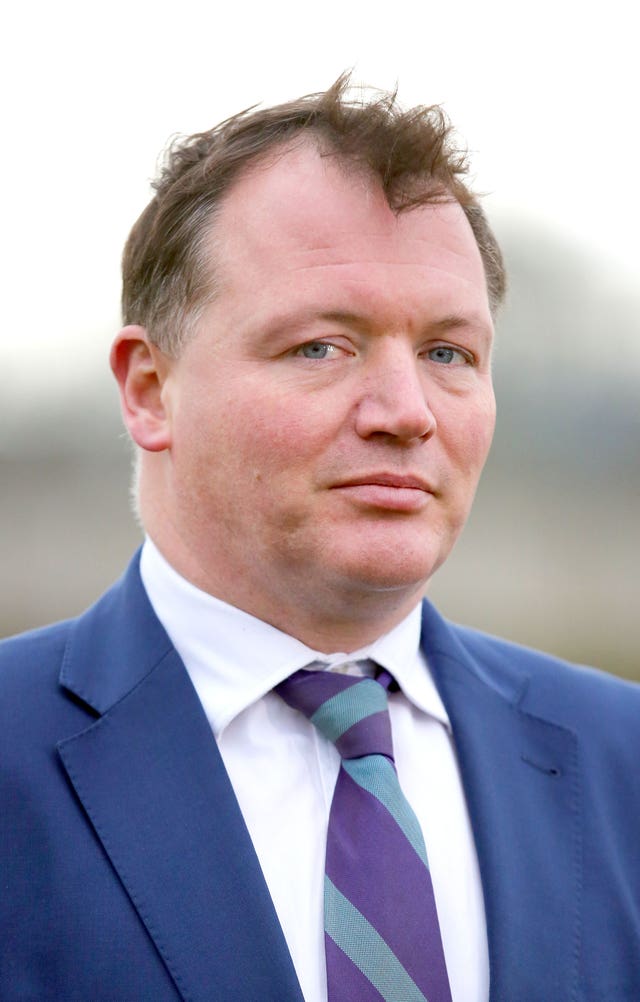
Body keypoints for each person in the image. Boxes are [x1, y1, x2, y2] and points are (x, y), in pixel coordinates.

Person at [1, 75, 639, 1002]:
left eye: (448, 353)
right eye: (321, 348)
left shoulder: (620, 761)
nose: (406, 413)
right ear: (148, 389)